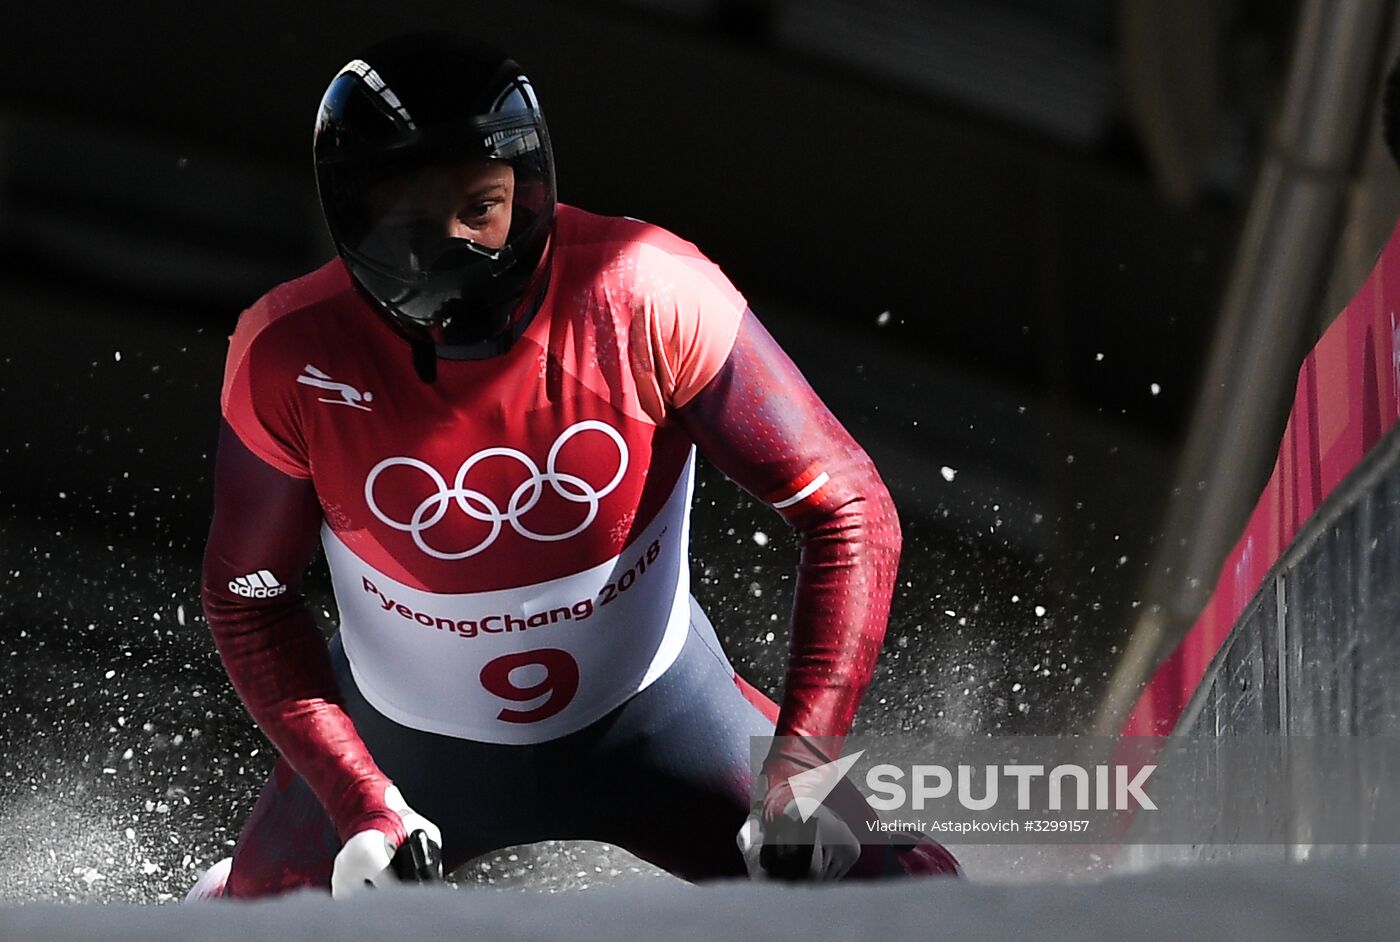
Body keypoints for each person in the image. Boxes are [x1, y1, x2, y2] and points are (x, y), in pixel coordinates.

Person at [187, 31, 959, 900]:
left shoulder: (647, 288)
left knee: (917, 898)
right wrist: (363, 800)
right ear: (351, 213)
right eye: (409, 218)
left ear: (533, 188)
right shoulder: (288, 353)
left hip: (667, 725)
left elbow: (848, 507)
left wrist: (802, 769)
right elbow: (247, 598)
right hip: (404, 759)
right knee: (238, 928)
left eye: (481, 208)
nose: (453, 251)